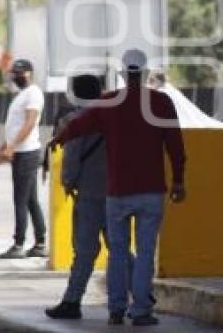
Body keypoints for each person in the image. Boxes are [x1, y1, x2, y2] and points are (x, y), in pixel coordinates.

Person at [52, 49, 186, 326]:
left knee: (118, 250)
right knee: (146, 252)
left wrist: (59, 138)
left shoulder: (109, 102)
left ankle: (115, 310)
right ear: (146, 73)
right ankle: (141, 312)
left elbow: (78, 125)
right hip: (151, 190)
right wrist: (179, 180)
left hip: (117, 192)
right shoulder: (161, 102)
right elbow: (175, 145)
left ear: (123, 74)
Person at [45, 74, 107, 320]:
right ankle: (142, 296)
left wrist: (68, 183)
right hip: (114, 191)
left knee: (84, 249)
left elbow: (71, 158)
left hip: (89, 192)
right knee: (120, 246)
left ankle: (72, 301)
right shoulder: (112, 118)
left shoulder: (76, 119)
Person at [0, 59, 47, 259]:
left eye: (19, 73)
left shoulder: (33, 93)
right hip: (20, 151)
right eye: (13, 73)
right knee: (31, 199)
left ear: (29, 73)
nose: (15, 76)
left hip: (26, 152)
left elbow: (30, 122)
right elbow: (13, 126)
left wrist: (13, 147)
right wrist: (3, 149)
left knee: (21, 200)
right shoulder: (22, 95)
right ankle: (40, 242)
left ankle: (18, 244)